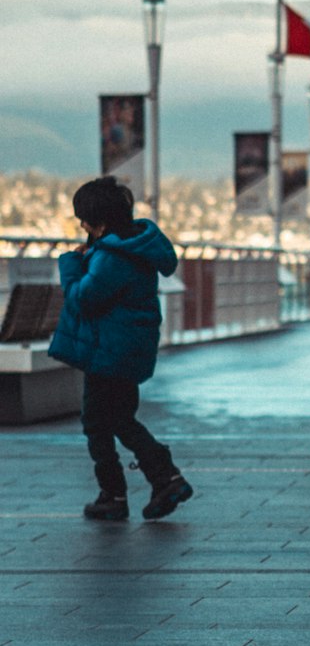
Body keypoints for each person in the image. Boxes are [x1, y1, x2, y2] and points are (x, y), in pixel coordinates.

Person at [49, 176, 193, 522]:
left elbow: (85, 298)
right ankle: (157, 481)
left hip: (108, 354)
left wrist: (70, 265)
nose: (81, 225)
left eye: (83, 219)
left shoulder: (112, 256)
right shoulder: (133, 248)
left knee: (102, 422)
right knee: (118, 418)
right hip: (126, 350)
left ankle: (126, 490)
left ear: (98, 223)